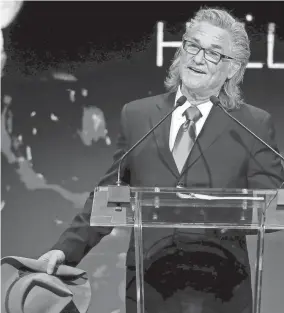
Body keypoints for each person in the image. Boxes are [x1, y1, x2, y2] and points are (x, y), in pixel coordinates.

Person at [38, 7, 284, 313]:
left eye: (213, 54)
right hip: (148, 290)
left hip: (222, 293)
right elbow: (107, 199)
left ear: (232, 68)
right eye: (192, 46)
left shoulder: (254, 124)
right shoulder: (138, 115)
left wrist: (210, 214)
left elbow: (271, 209)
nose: (197, 59)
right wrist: (64, 251)